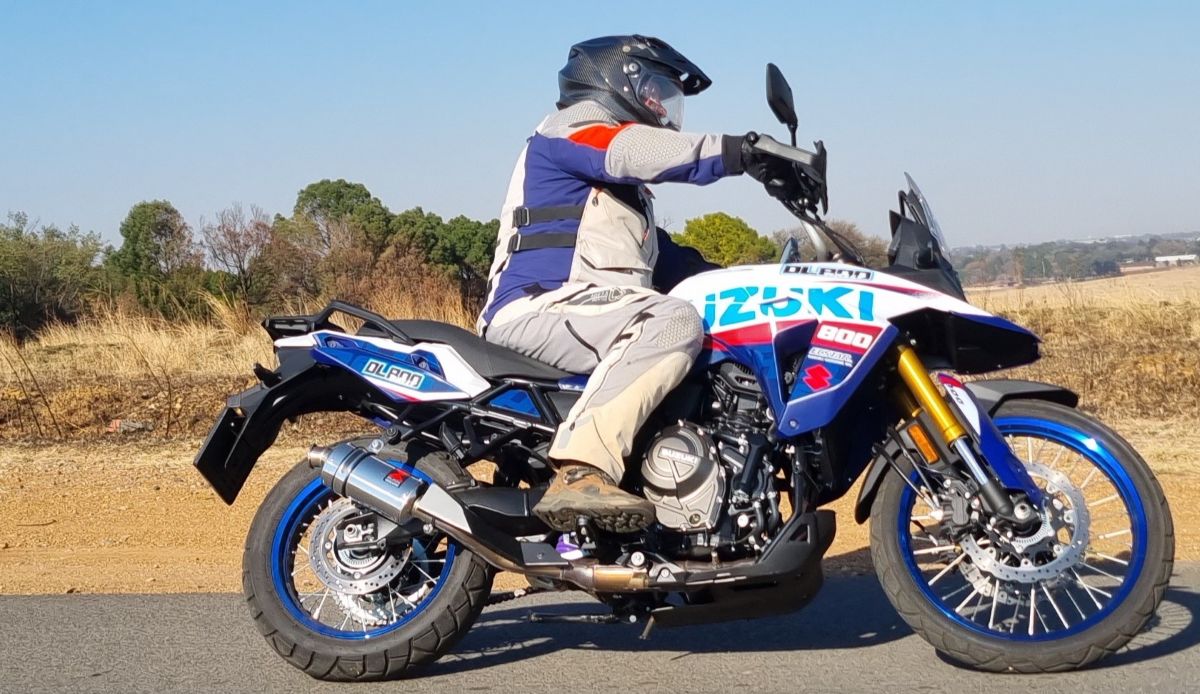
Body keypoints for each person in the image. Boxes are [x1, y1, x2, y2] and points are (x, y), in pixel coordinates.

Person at [478, 35, 790, 533]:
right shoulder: (570, 129)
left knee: (710, 327)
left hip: (594, 312)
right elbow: (631, 149)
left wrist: (767, 284)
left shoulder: (622, 198)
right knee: (671, 320)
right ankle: (580, 469)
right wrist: (742, 152)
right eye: (656, 91)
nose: (662, 108)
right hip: (537, 308)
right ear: (616, 81)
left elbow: (681, 267)